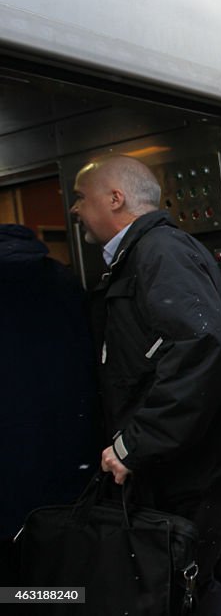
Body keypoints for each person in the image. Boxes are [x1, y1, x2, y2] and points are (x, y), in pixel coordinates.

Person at [71, 155, 221, 615]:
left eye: (82, 198)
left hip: (196, 463)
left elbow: (200, 347)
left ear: (116, 199)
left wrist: (133, 444)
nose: (76, 210)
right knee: (203, 579)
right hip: (197, 457)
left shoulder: (157, 252)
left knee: (192, 584)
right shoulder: (146, 253)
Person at [0, 224, 97, 582]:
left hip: (8, 457)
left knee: (12, 583)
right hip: (69, 455)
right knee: (64, 573)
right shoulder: (63, 280)